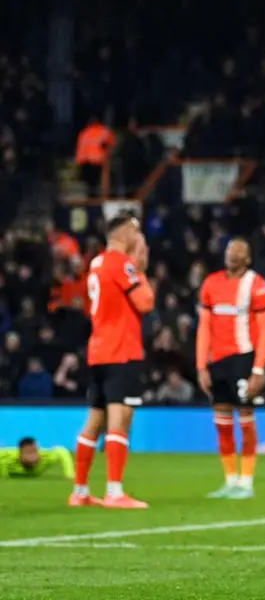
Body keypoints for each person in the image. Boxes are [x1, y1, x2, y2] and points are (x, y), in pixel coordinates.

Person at [70, 213, 155, 509]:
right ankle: (115, 491)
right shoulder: (122, 263)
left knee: (95, 419)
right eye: (137, 231)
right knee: (121, 420)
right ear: (127, 232)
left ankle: (80, 491)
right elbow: (145, 302)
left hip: (98, 350)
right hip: (122, 350)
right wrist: (141, 271)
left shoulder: (96, 262)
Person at [197, 238, 265, 499]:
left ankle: (247, 481)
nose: (232, 255)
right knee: (222, 423)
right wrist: (201, 366)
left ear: (248, 259)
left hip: (244, 358)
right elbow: (204, 327)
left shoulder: (258, 285)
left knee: (246, 420)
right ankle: (230, 480)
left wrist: (259, 369)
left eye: (238, 252)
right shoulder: (211, 284)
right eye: (230, 251)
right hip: (217, 361)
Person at [1, 437, 75, 479]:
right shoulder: (7, 457)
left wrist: (69, 473)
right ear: (19, 454)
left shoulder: (45, 457)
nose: (34, 457)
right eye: (29, 453)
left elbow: (61, 450)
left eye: (35, 452)